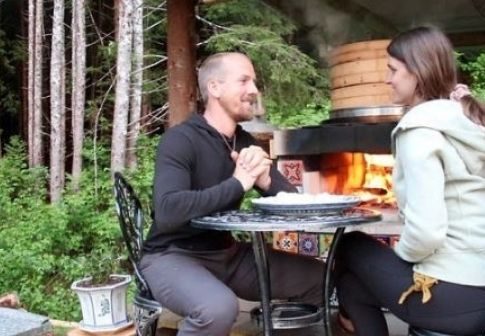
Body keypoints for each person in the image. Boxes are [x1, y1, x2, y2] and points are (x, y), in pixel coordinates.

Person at [140, 52, 323, 336]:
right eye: (244, 81)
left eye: (254, 82)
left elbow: (290, 200)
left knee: (319, 278)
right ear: (214, 88)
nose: (254, 90)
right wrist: (238, 184)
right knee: (218, 309)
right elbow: (168, 211)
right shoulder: (180, 139)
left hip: (229, 255)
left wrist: (264, 180)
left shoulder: (245, 141)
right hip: (172, 256)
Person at [334, 26, 485, 336]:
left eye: (392, 69)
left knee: (350, 244)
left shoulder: (418, 131)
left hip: (452, 295)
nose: (387, 79)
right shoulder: (465, 120)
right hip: (476, 286)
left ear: (417, 73)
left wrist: (400, 260)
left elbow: (427, 232)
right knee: (352, 286)